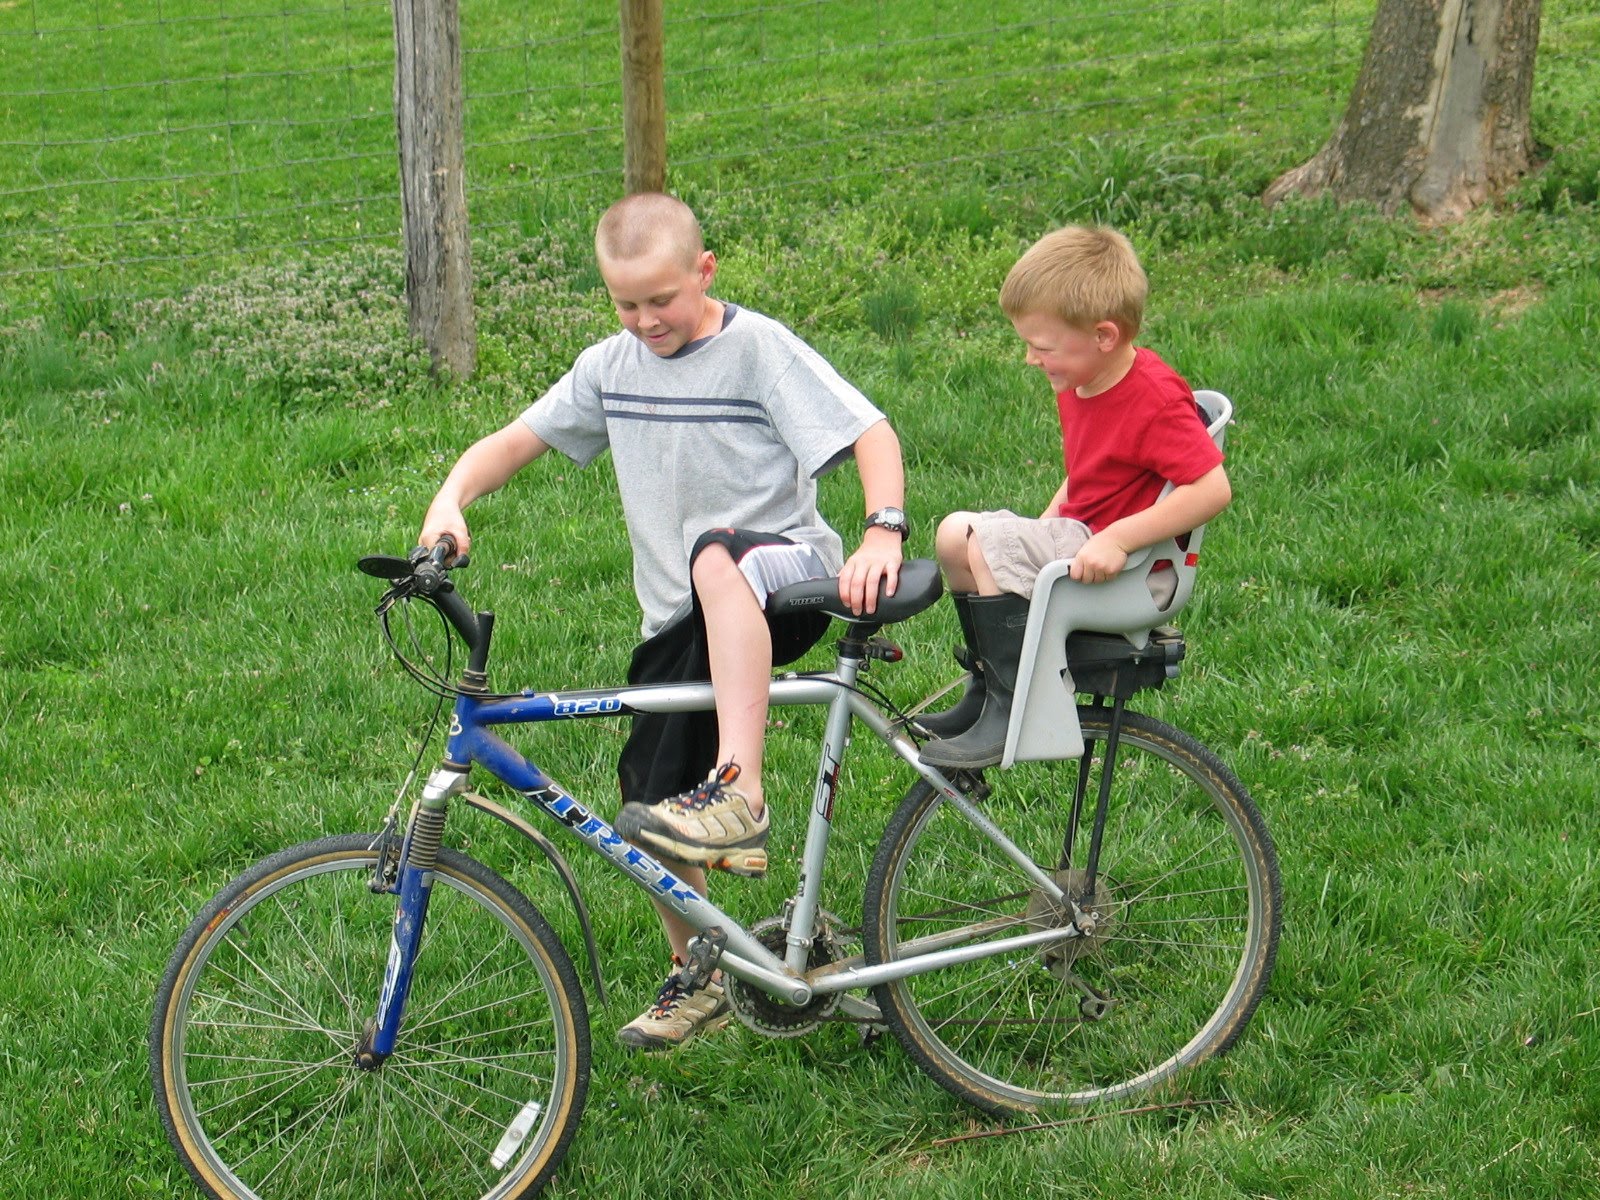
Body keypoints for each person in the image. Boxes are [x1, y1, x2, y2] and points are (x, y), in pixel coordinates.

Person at [419, 192, 907, 1050]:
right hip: (687, 618)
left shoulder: (756, 351)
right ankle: (705, 970)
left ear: (704, 271)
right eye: (626, 303)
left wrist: (881, 531)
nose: (646, 320)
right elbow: (513, 440)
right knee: (644, 806)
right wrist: (450, 500)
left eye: (662, 299)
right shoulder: (612, 366)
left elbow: (871, 431)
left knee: (717, 554)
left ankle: (741, 791)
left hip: (783, 582)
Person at [918, 224, 1230, 769]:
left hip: (1128, 566)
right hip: (1082, 536)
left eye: (1042, 347)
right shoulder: (1085, 378)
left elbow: (1212, 488)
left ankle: (1014, 706)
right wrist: (1042, 523)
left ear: (1104, 335)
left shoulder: (1151, 400)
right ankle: (988, 685)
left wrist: (1117, 537)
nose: (1031, 360)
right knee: (953, 537)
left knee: (982, 543)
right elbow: (1089, 471)